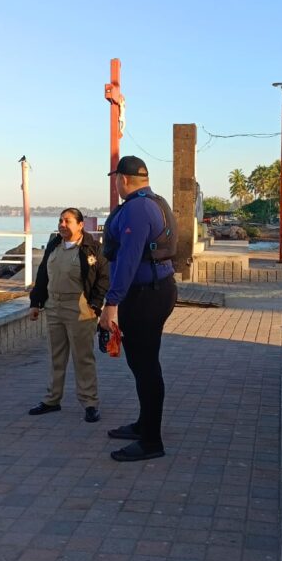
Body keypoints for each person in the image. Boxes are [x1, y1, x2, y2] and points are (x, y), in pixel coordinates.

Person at [99, 156, 178, 462]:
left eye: (116, 178)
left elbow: (129, 258)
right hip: (154, 290)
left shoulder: (136, 208)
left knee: (145, 367)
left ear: (123, 179)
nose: (115, 183)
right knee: (142, 364)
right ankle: (145, 424)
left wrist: (112, 303)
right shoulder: (151, 202)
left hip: (145, 295)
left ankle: (151, 441)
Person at [27, 208, 110, 422]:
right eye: (60, 220)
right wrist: (35, 302)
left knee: (82, 358)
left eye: (68, 221)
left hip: (80, 308)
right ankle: (52, 400)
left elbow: (103, 278)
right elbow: (43, 274)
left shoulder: (92, 248)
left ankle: (90, 403)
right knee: (56, 356)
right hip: (53, 306)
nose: (62, 224)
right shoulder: (54, 244)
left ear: (80, 225)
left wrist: (95, 306)